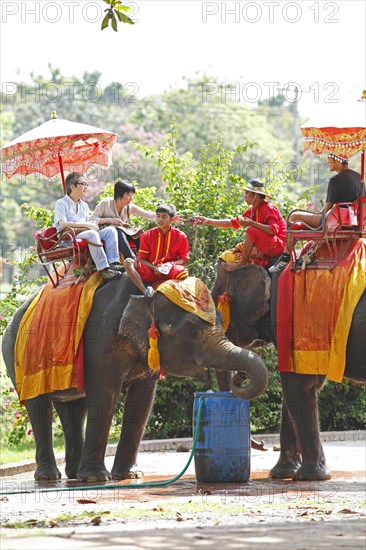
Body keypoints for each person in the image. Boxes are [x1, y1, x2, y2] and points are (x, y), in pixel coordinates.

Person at [269, 154, 362, 273]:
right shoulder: (359, 177)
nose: (328, 164)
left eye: (330, 161)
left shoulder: (336, 180)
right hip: (352, 223)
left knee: (294, 215)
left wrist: (315, 214)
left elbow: (327, 209)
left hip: (334, 223)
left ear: (337, 160)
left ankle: (285, 257)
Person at [190, 179, 286, 270]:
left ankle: (241, 264)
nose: (245, 196)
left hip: (277, 246)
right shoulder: (252, 211)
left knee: (251, 231)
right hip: (264, 246)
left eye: (247, 193)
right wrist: (208, 221)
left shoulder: (269, 208)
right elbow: (231, 223)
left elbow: (273, 230)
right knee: (228, 254)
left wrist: (252, 223)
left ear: (256, 195)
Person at [54, 172, 124, 281]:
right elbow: (63, 224)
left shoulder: (84, 205)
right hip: (69, 237)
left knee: (110, 230)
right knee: (92, 233)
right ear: (72, 186)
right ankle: (104, 269)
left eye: (85, 183)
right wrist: (86, 225)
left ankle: (113, 263)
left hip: (85, 233)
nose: (85, 186)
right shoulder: (61, 203)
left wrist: (97, 223)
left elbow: (90, 222)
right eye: (82, 183)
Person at [91, 180, 183, 260]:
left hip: (121, 234)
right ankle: (131, 258)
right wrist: (110, 220)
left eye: (132, 195)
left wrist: (170, 218)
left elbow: (148, 214)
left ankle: (148, 258)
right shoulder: (105, 203)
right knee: (118, 230)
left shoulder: (129, 207)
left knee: (139, 233)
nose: (131, 198)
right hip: (105, 234)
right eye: (128, 195)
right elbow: (92, 219)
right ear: (119, 194)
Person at [124, 204, 190, 297]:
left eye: (164, 217)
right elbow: (141, 259)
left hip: (169, 271)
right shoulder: (147, 235)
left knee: (182, 271)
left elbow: (184, 260)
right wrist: (154, 268)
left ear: (171, 219)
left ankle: (176, 295)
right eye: (158, 216)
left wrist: (170, 265)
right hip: (151, 271)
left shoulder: (181, 236)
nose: (160, 219)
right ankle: (145, 291)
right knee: (128, 262)